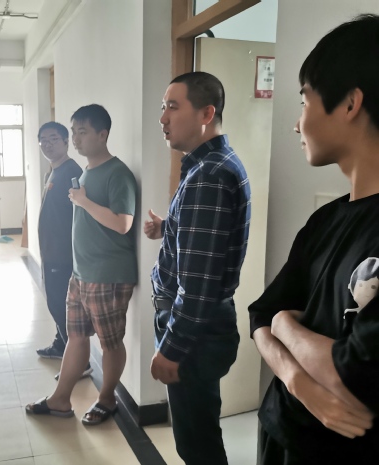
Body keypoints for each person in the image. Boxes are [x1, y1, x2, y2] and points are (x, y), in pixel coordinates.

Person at [249, 14, 379, 464]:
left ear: (350, 103)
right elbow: (261, 316)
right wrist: (299, 383)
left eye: (304, 100)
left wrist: (286, 326)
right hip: (282, 429)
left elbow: (356, 373)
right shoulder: (325, 220)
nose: (297, 123)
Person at [144, 72, 251, 465]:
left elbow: (199, 284)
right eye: (163, 107)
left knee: (197, 445)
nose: (163, 118)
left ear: (206, 113)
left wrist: (171, 349)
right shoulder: (211, 164)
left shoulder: (208, 176)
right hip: (201, 328)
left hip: (193, 333)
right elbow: (207, 239)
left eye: (173, 107)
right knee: (199, 433)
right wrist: (168, 227)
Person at [26, 104, 137, 426]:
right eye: (73, 132)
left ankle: (107, 399)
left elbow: (123, 223)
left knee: (110, 343)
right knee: (75, 337)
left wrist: (84, 201)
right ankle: (60, 399)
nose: (75, 138)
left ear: (103, 134)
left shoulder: (118, 173)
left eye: (82, 132)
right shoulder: (85, 171)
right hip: (81, 273)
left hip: (108, 275)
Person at [34, 122, 85, 366]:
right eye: (43, 140)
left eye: (53, 138)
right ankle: (60, 345)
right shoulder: (52, 171)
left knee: (59, 305)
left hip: (62, 255)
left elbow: (81, 214)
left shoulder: (71, 172)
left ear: (66, 142)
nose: (48, 144)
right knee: (56, 302)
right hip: (51, 252)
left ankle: (79, 362)